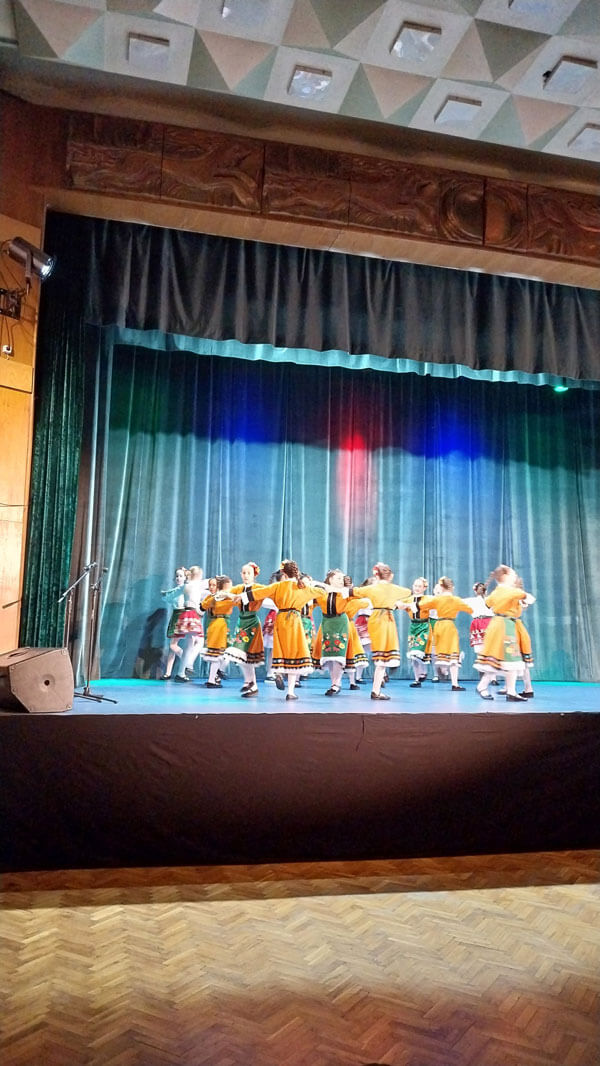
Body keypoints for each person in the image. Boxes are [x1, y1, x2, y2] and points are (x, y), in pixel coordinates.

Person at [234, 559, 323, 700]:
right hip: (295, 619)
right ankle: (291, 692)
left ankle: (278, 673)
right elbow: (320, 592)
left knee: (280, 648)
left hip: (281, 618)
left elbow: (260, 592)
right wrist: (314, 584)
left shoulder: (278, 586)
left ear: (284, 573)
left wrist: (242, 596)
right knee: (294, 651)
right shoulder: (302, 587)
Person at [345, 563, 412, 701]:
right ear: (390, 576)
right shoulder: (394, 589)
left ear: (377, 576)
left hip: (375, 618)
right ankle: (376, 689)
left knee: (381, 657)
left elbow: (353, 592)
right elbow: (408, 592)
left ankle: (376, 688)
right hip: (386, 619)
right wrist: (395, 603)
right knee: (383, 657)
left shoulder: (372, 588)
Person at [474, 565, 535, 702]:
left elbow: (488, 603)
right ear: (506, 576)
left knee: (505, 660)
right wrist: (523, 597)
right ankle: (490, 687)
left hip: (499, 624)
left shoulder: (497, 592)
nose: (515, 576)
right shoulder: (511, 591)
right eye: (513, 574)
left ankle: (507, 690)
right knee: (508, 658)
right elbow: (530, 598)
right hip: (505, 626)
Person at [311, 569, 370, 695]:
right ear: (331, 579)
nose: (341, 581)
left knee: (339, 654)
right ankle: (334, 682)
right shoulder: (321, 592)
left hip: (340, 623)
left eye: (342, 579)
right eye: (338, 578)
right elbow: (311, 595)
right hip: (327, 623)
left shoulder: (344, 592)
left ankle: (336, 684)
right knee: (330, 656)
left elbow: (364, 599)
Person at [418, 578, 473, 691]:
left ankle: (440, 669)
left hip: (438, 626)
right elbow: (470, 609)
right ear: (452, 587)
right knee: (453, 653)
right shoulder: (455, 600)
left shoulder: (437, 599)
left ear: (442, 587)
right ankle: (454, 683)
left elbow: (421, 605)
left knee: (440, 653)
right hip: (449, 625)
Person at [225, 562, 265, 698]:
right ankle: (251, 683)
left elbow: (268, 593)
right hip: (241, 621)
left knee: (245, 653)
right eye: (244, 573)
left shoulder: (258, 588)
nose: (246, 575)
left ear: (254, 575)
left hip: (252, 622)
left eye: (249, 573)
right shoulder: (238, 588)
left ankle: (250, 682)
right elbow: (227, 594)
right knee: (242, 655)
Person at [171, 565, 207, 683]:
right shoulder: (195, 585)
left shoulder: (187, 585)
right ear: (198, 576)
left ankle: (181, 672)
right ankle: (189, 663)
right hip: (191, 613)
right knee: (199, 640)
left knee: (190, 643)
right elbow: (206, 583)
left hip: (187, 613)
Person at [200, 575, 235, 688]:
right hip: (220, 625)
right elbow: (238, 600)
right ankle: (215, 676)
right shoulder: (223, 598)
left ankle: (215, 676)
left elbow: (202, 607)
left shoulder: (213, 598)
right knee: (220, 654)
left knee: (219, 653)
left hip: (215, 625)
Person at [463, 581, 497, 685]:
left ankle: (492, 677)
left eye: (483, 588)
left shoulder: (490, 600)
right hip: (479, 624)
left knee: (490, 650)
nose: (481, 590)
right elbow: (458, 602)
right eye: (479, 588)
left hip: (489, 623)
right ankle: (484, 676)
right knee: (481, 650)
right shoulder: (472, 601)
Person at [401, 576, 432, 687]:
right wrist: (405, 605)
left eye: (419, 586)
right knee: (413, 654)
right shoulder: (409, 599)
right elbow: (398, 604)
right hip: (413, 626)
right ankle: (417, 679)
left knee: (418, 651)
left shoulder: (427, 599)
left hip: (424, 625)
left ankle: (423, 671)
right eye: (415, 585)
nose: (417, 588)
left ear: (424, 588)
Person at [159, 566, 188, 679]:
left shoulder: (185, 589)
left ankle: (187, 662)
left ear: (185, 577)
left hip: (182, 615)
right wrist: (165, 594)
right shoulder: (175, 591)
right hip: (175, 615)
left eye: (181, 576)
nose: (178, 578)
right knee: (172, 647)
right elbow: (167, 598)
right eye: (177, 576)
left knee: (173, 645)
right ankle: (168, 672)